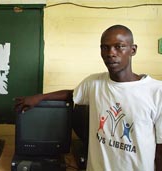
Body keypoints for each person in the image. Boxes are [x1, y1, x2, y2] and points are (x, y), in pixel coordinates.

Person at [15, 25, 162, 171]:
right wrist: (40, 97)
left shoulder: (156, 91)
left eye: (119, 46)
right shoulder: (94, 83)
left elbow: (160, 149)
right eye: (105, 47)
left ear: (133, 50)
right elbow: (71, 95)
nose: (110, 53)